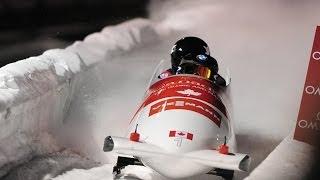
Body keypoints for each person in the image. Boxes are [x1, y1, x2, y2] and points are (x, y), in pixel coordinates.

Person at [158, 36, 228, 88]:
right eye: (188, 69)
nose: (194, 74)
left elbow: (221, 86)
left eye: (203, 71)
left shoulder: (215, 77)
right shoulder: (166, 77)